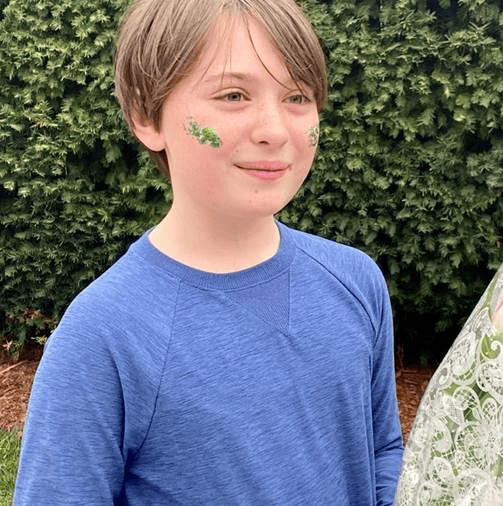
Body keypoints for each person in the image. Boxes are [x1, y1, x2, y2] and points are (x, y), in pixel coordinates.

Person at [12, 0, 404, 504]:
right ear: (145, 116)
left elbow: (381, 451)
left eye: (297, 96)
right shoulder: (103, 337)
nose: (275, 130)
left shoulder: (357, 281)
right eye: (234, 94)